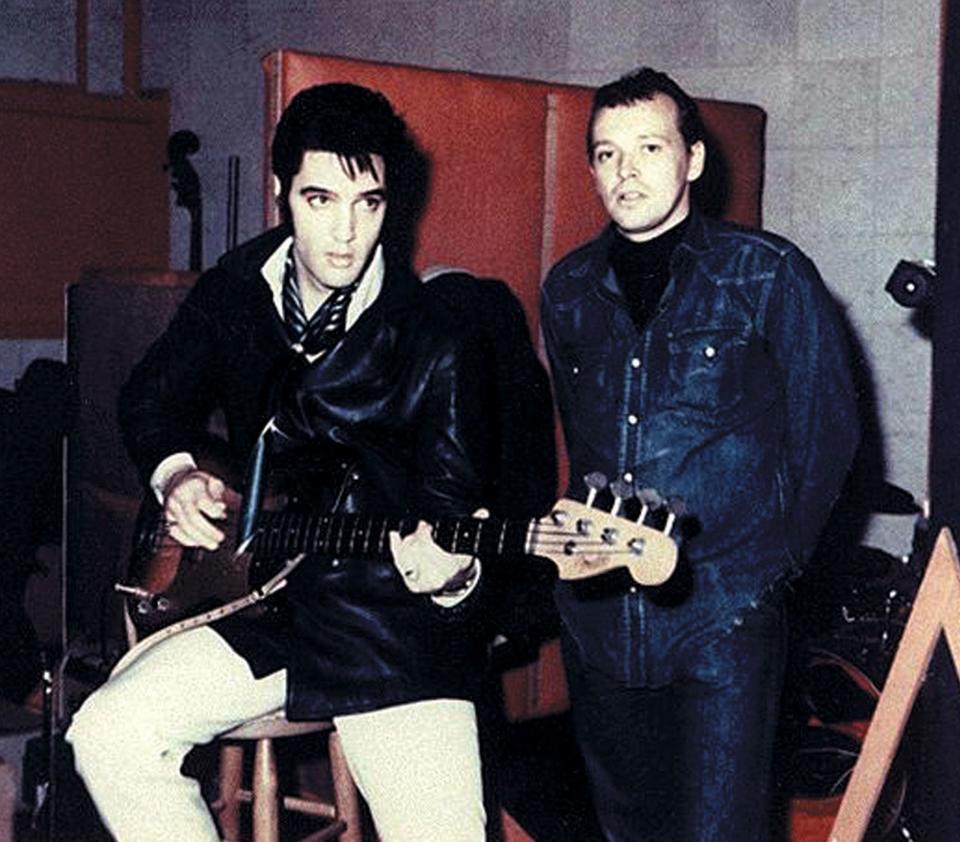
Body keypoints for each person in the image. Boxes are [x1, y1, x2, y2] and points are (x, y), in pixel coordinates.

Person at [66, 82, 555, 842]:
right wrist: (178, 475)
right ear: (279, 193)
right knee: (105, 733)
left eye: (369, 203)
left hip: (393, 627)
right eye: (321, 200)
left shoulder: (437, 336)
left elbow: (453, 518)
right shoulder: (237, 287)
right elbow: (149, 399)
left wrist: (453, 573)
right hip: (266, 603)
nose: (345, 234)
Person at [540, 67, 859, 841]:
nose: (627, 171)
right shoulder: (568, 289)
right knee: (626, 830)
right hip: (601, 619)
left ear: (694, 160)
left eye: (649, 146)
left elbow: (830, 433)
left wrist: (771, 572)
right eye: (607, 153)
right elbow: (577, 440)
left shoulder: (767, 274)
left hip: (724, 619)